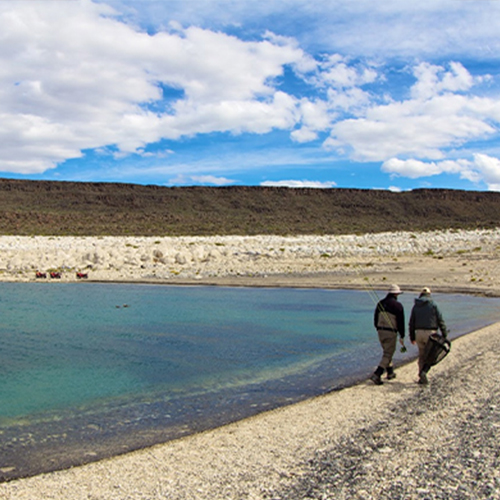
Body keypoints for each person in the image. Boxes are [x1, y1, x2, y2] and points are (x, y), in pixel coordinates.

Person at [409, 287, 448, 385]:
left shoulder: (415, 306)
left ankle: (421, 377)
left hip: (418, 333)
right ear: (429, 294)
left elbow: (411, 323)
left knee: (421, 355)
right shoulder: (433, 304)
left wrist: (412, 337)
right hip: (431, 333)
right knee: (431, 355)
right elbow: (440, 320)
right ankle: (424, 372)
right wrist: (444, 334)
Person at [370, 284, 405, 385]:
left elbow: (375, 319)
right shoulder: (398, 306)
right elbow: (401, 322)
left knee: (387, 352)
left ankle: (390, 372)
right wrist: (402, 335)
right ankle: (377, 374)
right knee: (388, 353)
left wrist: (378, 329)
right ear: (396, 294)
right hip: (390, 332)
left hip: (380, 331)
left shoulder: (380, 303)